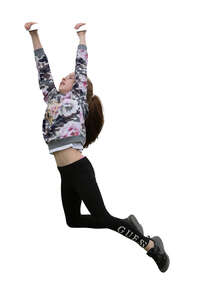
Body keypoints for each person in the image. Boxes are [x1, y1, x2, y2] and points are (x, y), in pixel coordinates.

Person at [25, 21, 170, 272]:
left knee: (102, 217)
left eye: (70, 78)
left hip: (79, 169)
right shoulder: (52, 97)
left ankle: (150, 245)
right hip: (65, 173)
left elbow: (81, 65)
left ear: (80, 87)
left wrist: (81, 36)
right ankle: (129, 225)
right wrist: (34, 34)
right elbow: (42, 69)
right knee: (72, 220)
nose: (64, 78)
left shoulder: (78, 97)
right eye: (66, 76)